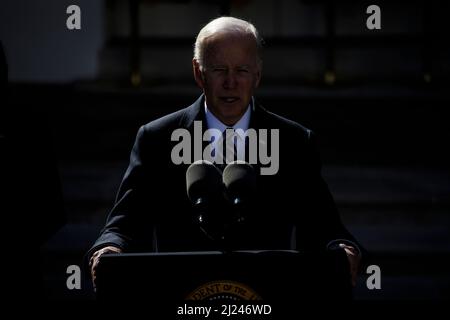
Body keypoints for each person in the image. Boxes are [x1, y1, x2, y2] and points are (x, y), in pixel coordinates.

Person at [88, 17, 363, 289]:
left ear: (257, 74)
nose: (231, 83)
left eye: (242, 70)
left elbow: (324, 225)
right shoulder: (157, 140)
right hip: (181, 297)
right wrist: (109, 249)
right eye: (219, 69)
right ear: (199, 73)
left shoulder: (294, 142)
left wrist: (342, 249)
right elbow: (124, 224)